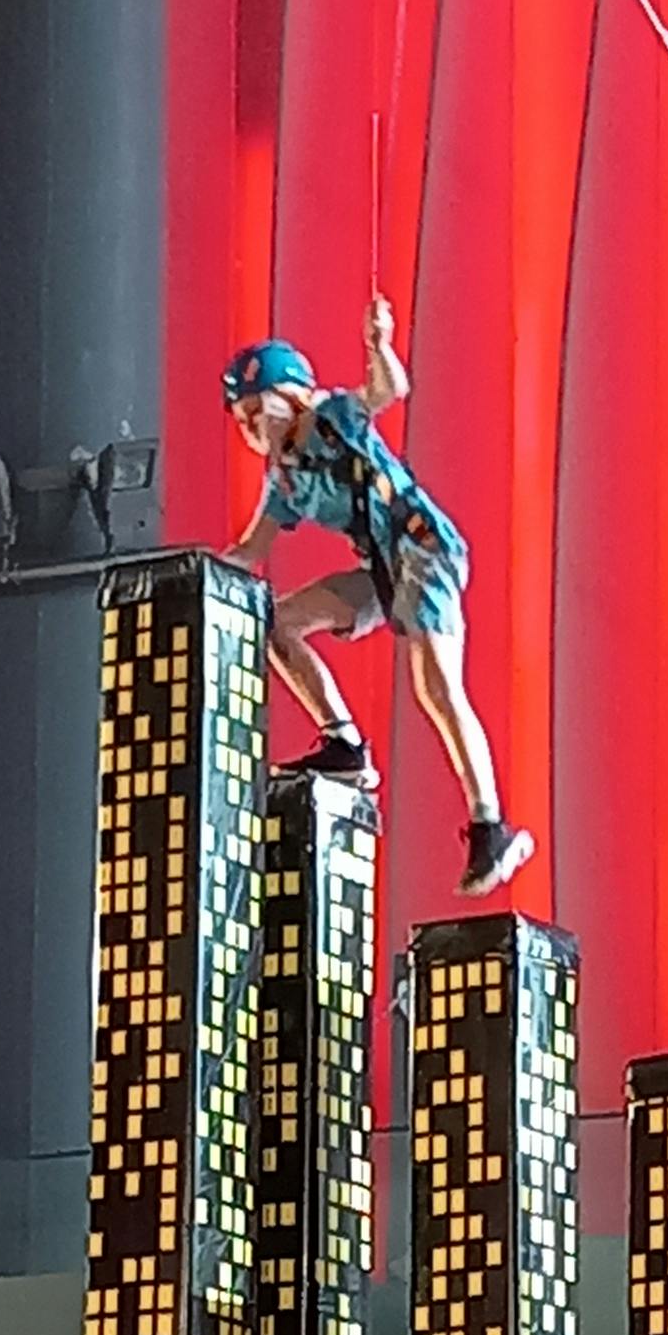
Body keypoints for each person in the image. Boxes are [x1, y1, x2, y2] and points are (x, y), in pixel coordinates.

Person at [224, 298, 535, 898]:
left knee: (437, 687)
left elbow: (388, 389)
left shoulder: (334, 418)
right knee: (278, 624)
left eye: (257, 410)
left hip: (422, 549)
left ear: (290, 396)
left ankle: (489, 824)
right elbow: (251, 548)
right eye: (242, 420)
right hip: (382, 571)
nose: (252, 428)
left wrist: (378, 344)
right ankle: (343, 743)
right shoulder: (284, 478)